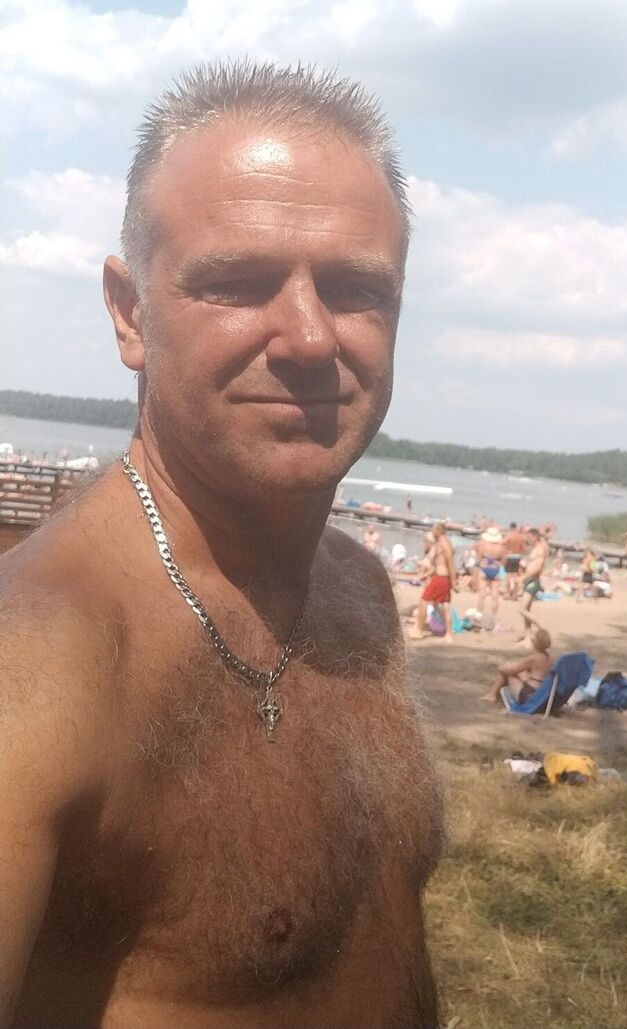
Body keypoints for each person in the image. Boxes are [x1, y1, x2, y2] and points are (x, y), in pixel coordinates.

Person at [0, 62, 443, 1027]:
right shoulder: (38, 661)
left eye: (355, 288)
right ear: (130, 313)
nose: (310, 337)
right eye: (237, 283)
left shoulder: (360, 597)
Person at [480, 623, 553, 704]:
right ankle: (493, 694)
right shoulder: (550, 658)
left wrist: (501, 668)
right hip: (542, 694)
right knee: (519, 672)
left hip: (529, 694)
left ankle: (491, 695)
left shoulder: (533, 658)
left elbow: (512, 670)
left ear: (535, 642)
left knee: (507, 672)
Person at [412, 521, 457, 642]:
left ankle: (419, 630)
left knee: (423, 601)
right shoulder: (440, 543)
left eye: (433, 529)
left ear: (439, 530)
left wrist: (453, 581)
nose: (432, 532)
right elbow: (437, 564)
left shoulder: (444, 543)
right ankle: (449, 634)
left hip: (441, 578)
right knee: (444, 607)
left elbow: (450, 562)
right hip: (442, 578)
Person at [518, 528, 549, 631]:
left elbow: (538, 567)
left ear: (535, 537)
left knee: (522, 609)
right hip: (529, 580)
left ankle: (542, 627)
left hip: (533, 581)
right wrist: (524, 566)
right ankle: (528, 635)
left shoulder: (540, 549)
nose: (527, 539)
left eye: (529, 537)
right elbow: (533, 564)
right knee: (527, 609)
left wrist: (524, 576)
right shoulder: (535, 548)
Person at [501, 521, 526, 600]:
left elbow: (502, 543)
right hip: (517, 557)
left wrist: (507, 550)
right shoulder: (520, 537)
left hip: (509, 556)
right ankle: (515, 594)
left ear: (510, 528)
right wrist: (518, 552)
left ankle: (507, 593)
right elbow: (524, 549)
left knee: (508, 576)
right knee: (515, 576)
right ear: (516, 527)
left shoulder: (509, 536)